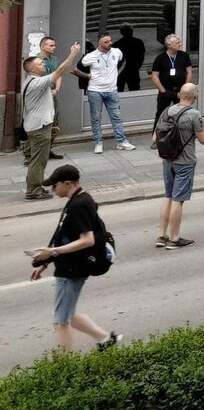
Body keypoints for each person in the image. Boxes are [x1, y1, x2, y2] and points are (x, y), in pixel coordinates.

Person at [28, 164, 121, 352]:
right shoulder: (77, 199)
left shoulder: (80, 205)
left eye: (55, 186)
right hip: (71, 265)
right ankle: (105, 339)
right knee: (68, 314)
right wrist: (45, 262)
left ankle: (66, 368)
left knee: (61, 321)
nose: (52, 190)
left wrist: (52, 253)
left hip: (73, 268)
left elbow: (87, 240)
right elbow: (62, 234)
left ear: (68, 184)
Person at [151, 82, 204, 249]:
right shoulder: (194, 115)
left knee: (168, 197)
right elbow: (203, 139)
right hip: (185, 162)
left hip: (167, 160)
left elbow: (155, 139)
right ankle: (175, 238)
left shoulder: (167, 111)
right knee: (178, 200)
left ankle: (162, 236)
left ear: (179, 95)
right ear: (195, 97)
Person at [21, 43, 82, 199]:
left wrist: (53, 93)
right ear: (31, 69)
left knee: (38, 160)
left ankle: (35, 188)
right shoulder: (36, 82)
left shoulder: (31, 82)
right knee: (38, 161)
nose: (43, 65)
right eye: (40, 64)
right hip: (39, 127)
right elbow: (60, 71)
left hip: (35, 125)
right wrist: (73, 53)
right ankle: (33, 191)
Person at [76, 34, 134, 154]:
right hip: (95, 90)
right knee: (96, 118)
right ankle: (98, 142)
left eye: (110, 40)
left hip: (112, 90)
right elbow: (78, 67)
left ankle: (121, 141)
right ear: (99, 44)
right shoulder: (90, 56)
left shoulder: (117, 52)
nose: (110, 43)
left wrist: (117, 74)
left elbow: (123, 62)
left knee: (116, 116)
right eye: (106, 42)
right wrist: (87, 76)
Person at [148, 34, 193, 126]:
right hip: (166, 90)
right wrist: (163, 91)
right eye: (177, 43)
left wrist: (185, 88)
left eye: (179, 42)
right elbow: (154, 76)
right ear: (169, 45)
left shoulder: (184, 56)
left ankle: (181, 135)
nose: (180, 44)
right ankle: (157, 136)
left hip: (180, 90)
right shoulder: (160, 58)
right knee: (161, 114)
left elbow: (189, 72)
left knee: (182, 114)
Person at [114, 25, 146, 91]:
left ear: (121, 32)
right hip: (133, 71)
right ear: (131, 31)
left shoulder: (117, 44)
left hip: (121, 72)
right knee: (135, 91)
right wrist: (137, 67)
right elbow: (142, 57)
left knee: (119, 93)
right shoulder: (138, 42)